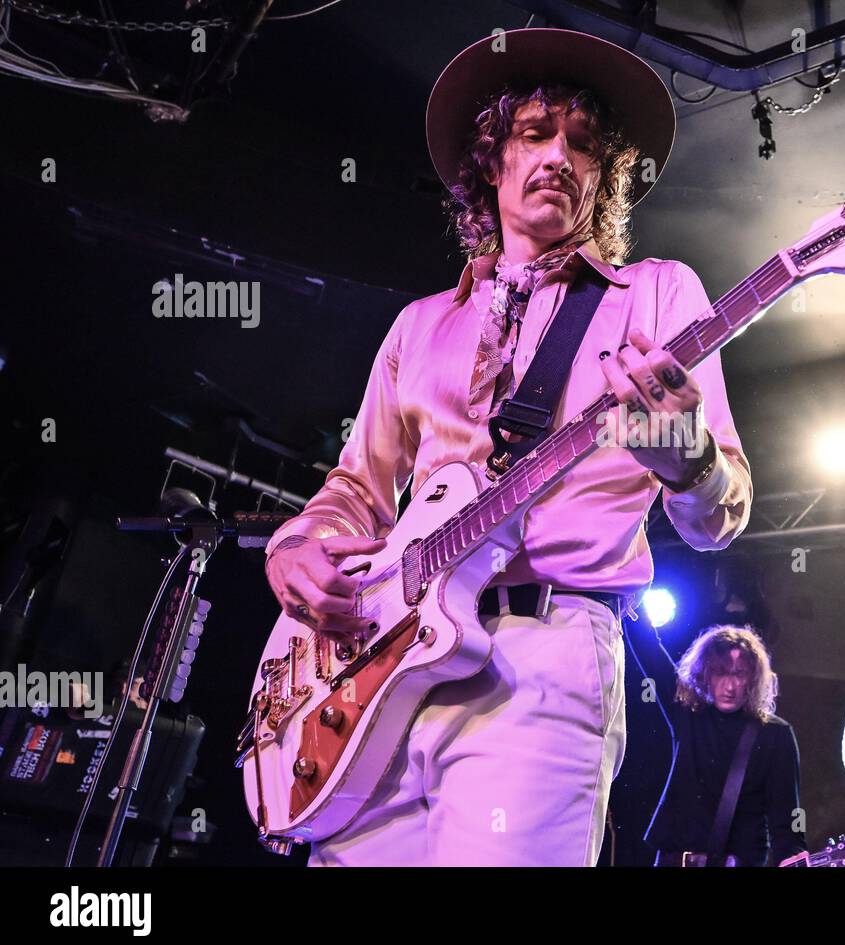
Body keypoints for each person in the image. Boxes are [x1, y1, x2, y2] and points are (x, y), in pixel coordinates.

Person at [260, 28, 752, 866]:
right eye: (536, 133)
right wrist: (298, 545)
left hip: (538, 660)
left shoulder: (660, 293)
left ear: (604, 178)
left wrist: (688, 459)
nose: (561, 155)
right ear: (492, 161)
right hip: (382, 662)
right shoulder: (420, 325)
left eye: (586, 144)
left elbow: (722, 515)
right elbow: (357, 490)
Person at [645, 624, 805, 866]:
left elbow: (787, 820)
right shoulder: (689, 716)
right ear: (704, 674)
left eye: (739, 674)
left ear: (752, 679)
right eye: (721, 672)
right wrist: (629, 600)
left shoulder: (775, 735)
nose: (730, 686)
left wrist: (794, 856)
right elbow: (649, 651)